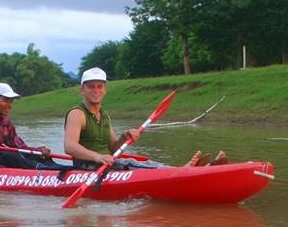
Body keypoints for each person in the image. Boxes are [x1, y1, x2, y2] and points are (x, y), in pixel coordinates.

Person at [64, 67, 227, 170]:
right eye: (91, 86)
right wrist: (97, 156)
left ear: (105, 89)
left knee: (142, 162)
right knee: (132, 164)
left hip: (106, 162)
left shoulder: (104, 115)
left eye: (99, 86)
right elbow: (69, 147)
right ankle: (179, 172)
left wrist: (124, 137)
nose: (95, 90)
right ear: (82, 90)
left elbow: (114, 149)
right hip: (87, 166)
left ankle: (183, 170)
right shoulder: (77, 113)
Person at [0, 82, 57, 169]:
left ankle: (52, 168)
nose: (9, 105)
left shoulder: (7, 123)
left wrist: (39, 151)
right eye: (5, 101)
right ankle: (39, 169)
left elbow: (20, 147)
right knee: (10, 156)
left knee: (30, 156)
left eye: (11, 102)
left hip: (2, 157)